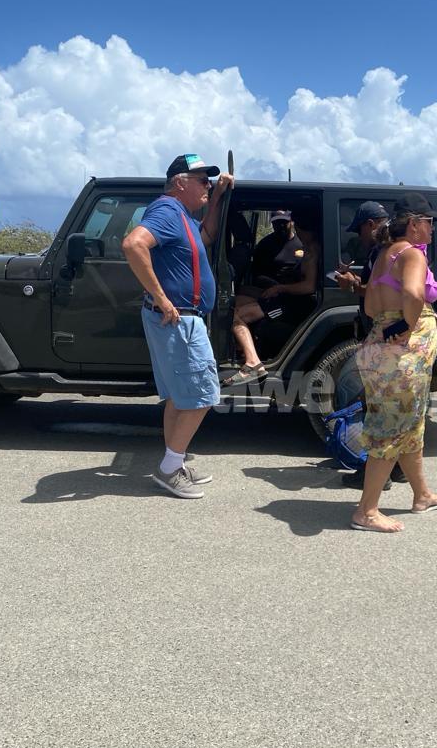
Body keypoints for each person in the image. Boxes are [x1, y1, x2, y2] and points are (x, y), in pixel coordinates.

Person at [121, 153, 234, 499]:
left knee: (179, 397)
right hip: (179, 319)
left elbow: (207, 236)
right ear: (180, 183)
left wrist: (217, 198)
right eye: (202, 181)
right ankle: (169, 469)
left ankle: (175, 461)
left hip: (181, 320)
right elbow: (133, 244)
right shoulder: (167, 211)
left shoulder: (182, 216)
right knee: (202, 396)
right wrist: (161, 297)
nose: (207, 185)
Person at [352, 192, 437, 532]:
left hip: (380, 347)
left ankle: (422, 495)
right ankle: (366, 511)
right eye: (429, 222)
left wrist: (394, 321)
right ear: (414, 224)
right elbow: (413, 293)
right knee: (391, 429)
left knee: (409, 424)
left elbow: (369, 307)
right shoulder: (411, 254)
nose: (432, 228)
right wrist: (409, 324)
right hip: (401, 357)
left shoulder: (384, 255)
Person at [227, 220, 320, 384]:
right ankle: (243, 350)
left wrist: (280, 288)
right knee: (234, 302)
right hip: (285, 297)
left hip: (291, 304)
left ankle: (252, 362)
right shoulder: (305, 248)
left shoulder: (312, 250)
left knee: (234, 315)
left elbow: (309, 286)